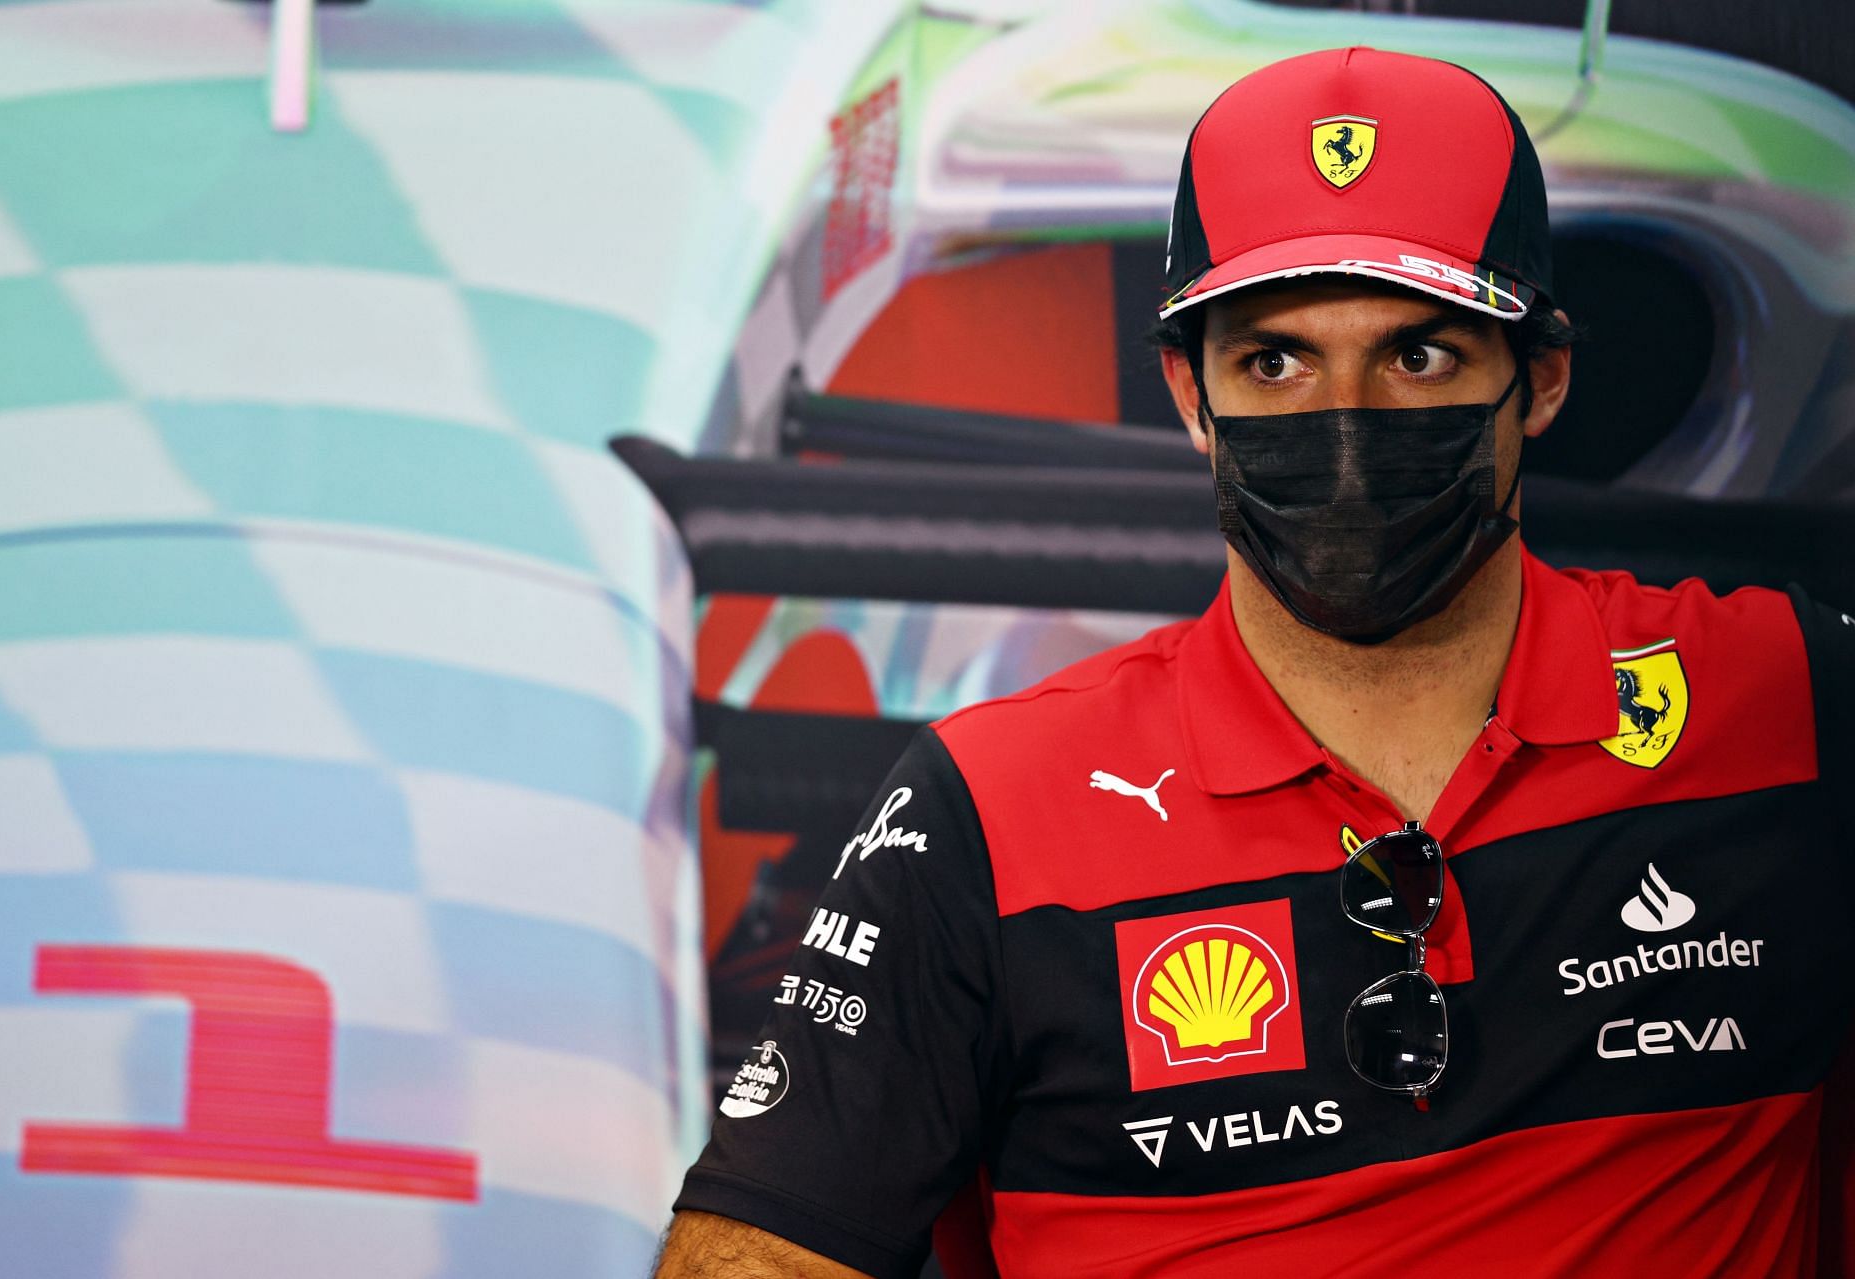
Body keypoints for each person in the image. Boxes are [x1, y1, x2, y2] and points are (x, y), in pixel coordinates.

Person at [655, 45, 1855, 1278]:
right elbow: (752, 1251)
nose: (1346, 424)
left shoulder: (1784, 702)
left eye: (1420, 354)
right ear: (1189, 393)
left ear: (1540, 377)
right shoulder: (992, 805)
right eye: (1275, 361)